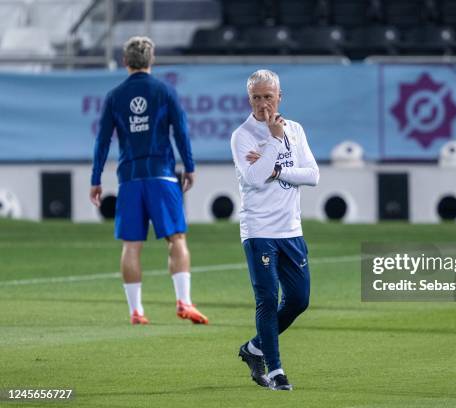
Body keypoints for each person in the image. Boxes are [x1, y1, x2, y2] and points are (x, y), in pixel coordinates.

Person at [89, 36, 208, 326]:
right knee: (176, 239)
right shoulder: (165, 91)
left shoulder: (115, 96)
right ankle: (184, 302)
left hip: (130, 178)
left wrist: (96, 179)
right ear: (151, 60)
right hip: (163, 176)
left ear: (125, 61)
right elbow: (181, 132)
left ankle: (136, 311)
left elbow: (102, 141)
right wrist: (189, 167)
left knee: (132, 246)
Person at [230, 69, 319, 391]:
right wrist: (272, 140)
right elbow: (253, 178)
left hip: (290, 230)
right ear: (249, 99)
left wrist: (276, 166)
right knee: (268, 300)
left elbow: (312, 175)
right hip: (259, 229)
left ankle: (253, 348)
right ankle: (276, 370)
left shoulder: (294, 130)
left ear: (280, 96)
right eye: (256, 97)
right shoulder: (243, 135)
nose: (263, 103)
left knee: (299, 300)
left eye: (268, 96)